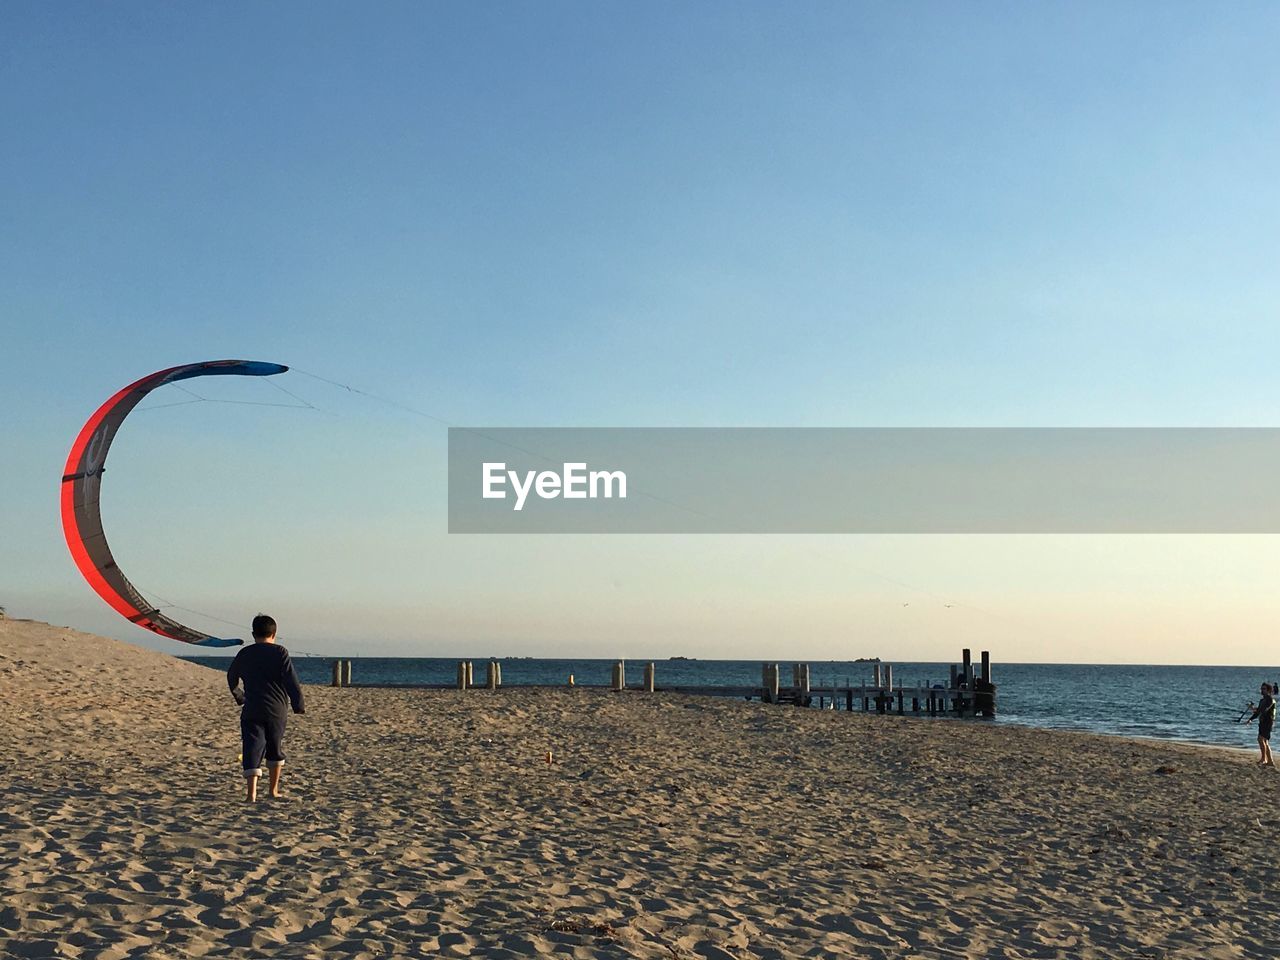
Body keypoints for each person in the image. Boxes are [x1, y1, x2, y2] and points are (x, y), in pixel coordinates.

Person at [227, 614, 305, 801]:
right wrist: (298, 704)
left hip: (252, 708)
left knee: (252, 748)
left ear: (253, 634)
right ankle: (272, 791)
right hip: (277, 709)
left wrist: (240, 696)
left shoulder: (245, 653)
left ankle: (251, 794)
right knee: (274, 748)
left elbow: (231, 677)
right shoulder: (280, 652)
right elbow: (291, 680)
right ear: (274, 633)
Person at [1244, 681, 1275, 767]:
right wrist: (1250, 718)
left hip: (1268, 722)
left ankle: (1264, 759)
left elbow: (1264, 710)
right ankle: (1270, 761)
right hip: (1262, 722)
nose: (1262, 690)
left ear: (1268, 690)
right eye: (1261, 689)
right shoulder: (1262, 700)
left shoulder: (1270, 700)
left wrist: (1256, 710)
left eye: (1264, 689)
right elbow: (1258, 712)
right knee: (1265, 741)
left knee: (1261, 739)